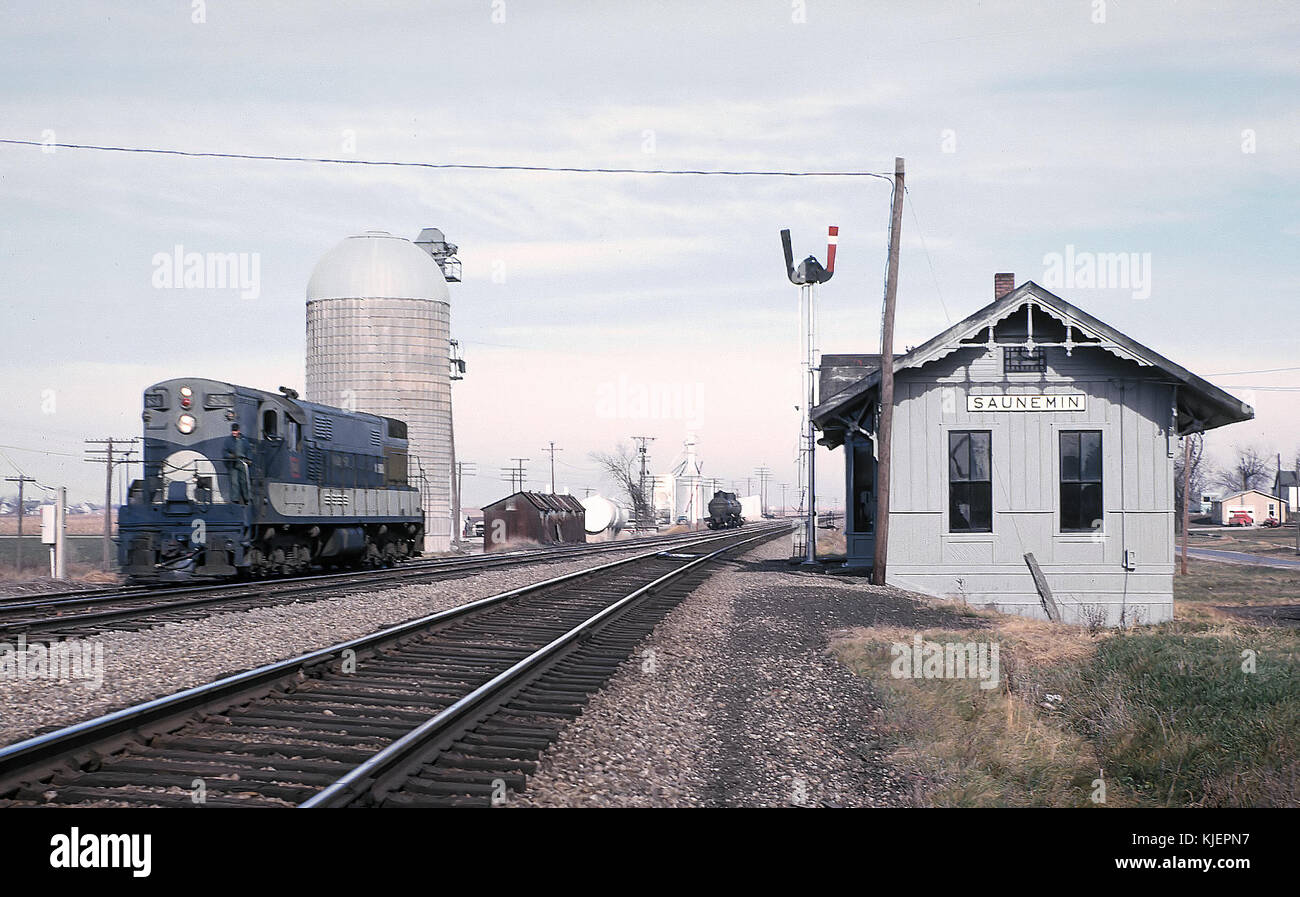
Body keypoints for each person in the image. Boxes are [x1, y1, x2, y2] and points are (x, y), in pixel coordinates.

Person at [224, 423, 251, 504]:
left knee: (244, 481)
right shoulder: (228, 441)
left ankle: (246, 498)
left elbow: (249, 450)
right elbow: (225, 452)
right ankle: (235, 499)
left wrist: (250, 459)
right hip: (233, 463)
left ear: (238, 430)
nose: (234, 432)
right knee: (234, 481)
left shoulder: (244, 440)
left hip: (243, 462)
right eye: (233, 431)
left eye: (235, 431)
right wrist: (230, 456)